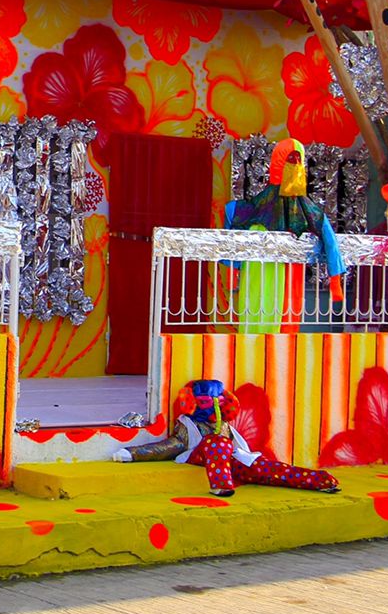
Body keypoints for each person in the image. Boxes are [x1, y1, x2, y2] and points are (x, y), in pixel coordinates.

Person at [112, 379, 339, 497]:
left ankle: (320, 481)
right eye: (206, 401)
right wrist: (133, 454)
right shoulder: (187, 424)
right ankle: (220, 485)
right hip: (201, 456)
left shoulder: (224, 425)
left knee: (266, 468)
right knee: (216, 442)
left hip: (233, 459)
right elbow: (169, 446)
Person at [224, 137, 346, 332]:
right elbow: (234, 218)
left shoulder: (306, 209)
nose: (294, 166)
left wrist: (335, 279)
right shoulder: (261, 206)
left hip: (288, 272)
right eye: (291, 160)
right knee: (259, 313)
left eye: (297, 161)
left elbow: (328, 238)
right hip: (261, 269)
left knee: (283, 321)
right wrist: (233, 267)